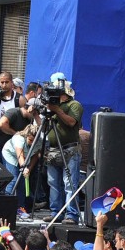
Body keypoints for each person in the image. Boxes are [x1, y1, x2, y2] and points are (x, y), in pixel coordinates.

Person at [41, 74, 84, 224]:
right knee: (53, 183)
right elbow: (43, 127)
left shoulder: (74, 105)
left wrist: (57, 110)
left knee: (69, 183)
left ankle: (71, 215)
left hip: (69, 149)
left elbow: (72, 122)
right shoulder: (51, 106)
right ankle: (56, 212)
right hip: (53, 149)